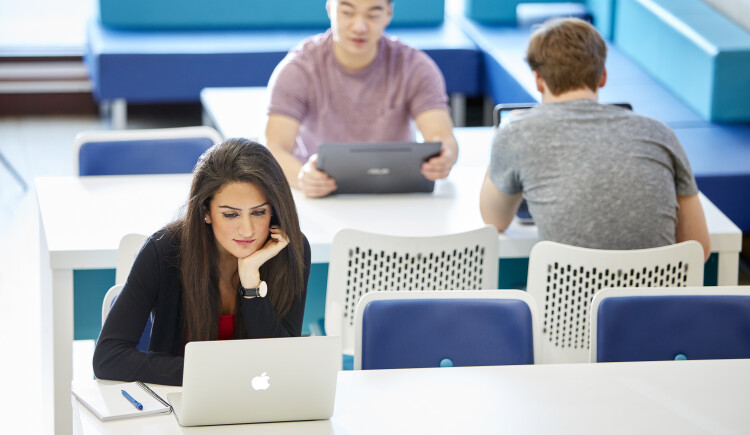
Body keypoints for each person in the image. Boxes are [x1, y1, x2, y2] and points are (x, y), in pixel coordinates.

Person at [479, 17, 711, 260]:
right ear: (602, 76)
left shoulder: (517, 132)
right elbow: (698, 248)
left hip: (569, 297)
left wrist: (506, 133)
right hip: (656, 297)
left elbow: (495, 220)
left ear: (538, 80)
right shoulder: (660, 134)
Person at [93, 138, 311, 386]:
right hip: (181, 402)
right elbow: (108, 358)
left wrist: (251, 286)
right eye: (230, 214)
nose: (247, 230)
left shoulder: (289, 249)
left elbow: (282, 361)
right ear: (206, 212)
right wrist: (214, 374)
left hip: (258, 404)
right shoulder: (164, 251)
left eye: (259, 212)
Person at [265, 0, 459, 198]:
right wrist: (301, 176)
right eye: (348, 12)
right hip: (320, 194)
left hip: (397, 193)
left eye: (373, 15)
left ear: (388, 14)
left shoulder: (415, 67)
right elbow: (274, 148)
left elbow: (442, 136)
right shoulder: (298, 69)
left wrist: (444, 156)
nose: (359, 27)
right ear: (330, 9)